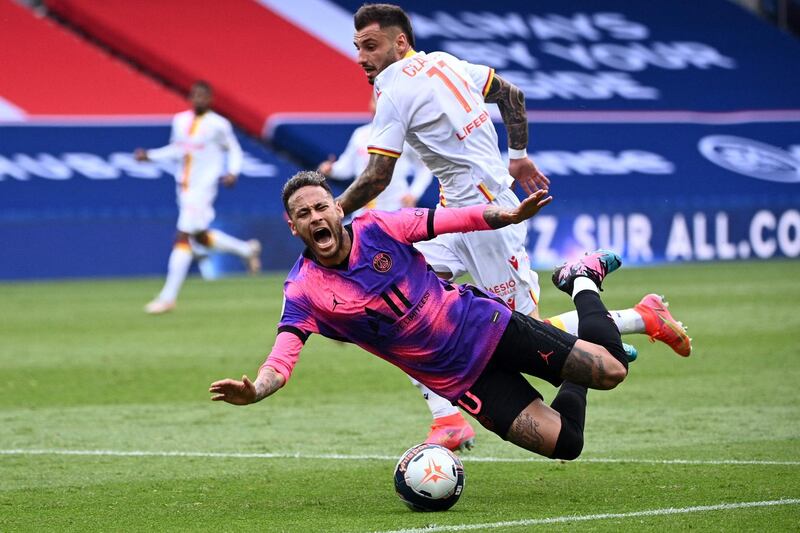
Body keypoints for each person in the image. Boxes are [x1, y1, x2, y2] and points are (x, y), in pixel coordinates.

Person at [333, 3, 691, 449]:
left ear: (399, 42)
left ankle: (638, 315)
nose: (362, 57)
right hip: (452, 215)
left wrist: (331, 211)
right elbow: (511, 94)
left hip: (490, 221)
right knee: (399, 307)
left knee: (524, 334)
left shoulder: (392, 89)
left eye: (371, 45)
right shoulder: (446, 62)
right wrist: (517, 155)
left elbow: (377, 176)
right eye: (357, 48)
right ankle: (447, 419)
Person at [209, 172, 635, 461]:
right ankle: (576, 363)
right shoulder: (303, 290)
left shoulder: (379, 227)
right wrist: (258, 390)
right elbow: (282, 357)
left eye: (321, 207)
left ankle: (582, 279)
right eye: (304, 214)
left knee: (612, 370)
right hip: (462, 381)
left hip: (488, 326)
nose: (315, 217)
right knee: (566, 445)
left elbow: (451, 218)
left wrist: (503, 216)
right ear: (293, 227)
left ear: (338, 210)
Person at [134, 80, 262, 314]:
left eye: (203, 96)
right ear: (191, 97)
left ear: (210, 99)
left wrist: (232, 171)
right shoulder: (180, 121)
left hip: (203, 188)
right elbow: (177, 149)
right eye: (195, 95)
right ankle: (246, 250)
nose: (199, 100)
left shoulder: (218, 125)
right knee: (200, 238)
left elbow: (233, 149)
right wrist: (150, 156)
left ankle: (167, 297)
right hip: (183, 186)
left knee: (183, 236)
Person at [317, 96, 433, 216]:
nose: (377, 106)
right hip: (362, 209)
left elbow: (425, 167)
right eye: (374, 101)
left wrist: (414, 193)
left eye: (382, 102)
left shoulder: (404, 135)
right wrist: (331, 169)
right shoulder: (360, 134)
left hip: (395, 209)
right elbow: (347, 167)